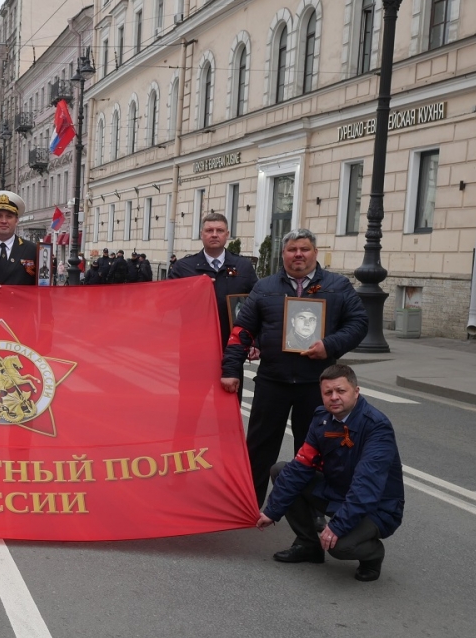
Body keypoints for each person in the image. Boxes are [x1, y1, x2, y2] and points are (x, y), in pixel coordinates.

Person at [221, 228, 368, 506]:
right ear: (283, 254)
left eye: (304, 249)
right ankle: (248, 505)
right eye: (292, 249)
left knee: (314, 449)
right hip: (272, 380)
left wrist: (330, 345)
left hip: (317, 384)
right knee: (259, 448)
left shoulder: (338, 286)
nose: (298, 254)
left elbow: (359, 323)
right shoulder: (265, 288)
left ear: (314, 252)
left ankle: (309, 510)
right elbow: (242, 330)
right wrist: (230, 369)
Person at [256, 364, 404, 582]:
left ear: (356, 391)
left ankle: (373, 555)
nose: (334, 397)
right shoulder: (321, 418)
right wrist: (272, 510)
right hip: (338, 491)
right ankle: (308, 545)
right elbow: (301, 466)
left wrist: (336, 526)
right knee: (282, 471)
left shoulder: (376, 427)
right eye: (328, 393)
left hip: (377, 507)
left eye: (341, 391)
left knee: (340, 547)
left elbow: (367, 485)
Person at [169, 212, 258, 350]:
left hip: (232, 345)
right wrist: (192, 289)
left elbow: (256, 305)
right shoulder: (183, 267)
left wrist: (254, 341)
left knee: (230, 373)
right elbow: (169, 302)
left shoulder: (243, 266)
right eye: (209, 230)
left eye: (220, 230)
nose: (215, 234)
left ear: (227, 234)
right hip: (194, 343)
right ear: (201, 234)